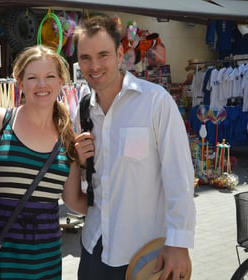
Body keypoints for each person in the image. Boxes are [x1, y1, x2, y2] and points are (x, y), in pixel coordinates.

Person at [73, 16, 196, 279]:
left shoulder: (155, 102)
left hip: (145, 254)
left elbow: (180, 177)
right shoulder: (82, 110)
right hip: (93, 245)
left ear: (120, 54)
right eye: (85, 58)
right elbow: (94, 181)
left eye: (103, 55)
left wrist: (179, 243)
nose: (94, 66)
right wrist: (83, 164)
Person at [0, 44, 87, 279]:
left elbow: (73, 200)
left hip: (44, 261)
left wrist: (118, 210)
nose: (42, 84)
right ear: (20, 83)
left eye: (49, 77)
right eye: (33, 77)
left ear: (60, 82)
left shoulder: (67, 139)